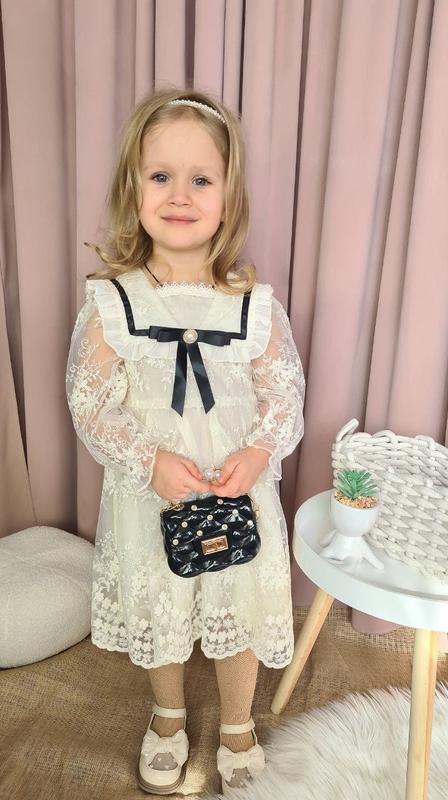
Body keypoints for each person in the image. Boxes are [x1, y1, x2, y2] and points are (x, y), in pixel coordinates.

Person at [65, 86, 305, 796]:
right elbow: (89, 402)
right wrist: (147, 460)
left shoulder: (253, 305)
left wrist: (258, 453)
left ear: (228, 198)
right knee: (160, 605)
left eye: (201, 179)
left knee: (240, 603)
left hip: (237, 491)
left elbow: (284, 395)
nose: (179, 195)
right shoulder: (114, 301)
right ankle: (168, 713)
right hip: (153, 497)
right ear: (132, 189)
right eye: (161, 176)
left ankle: (237, 722)